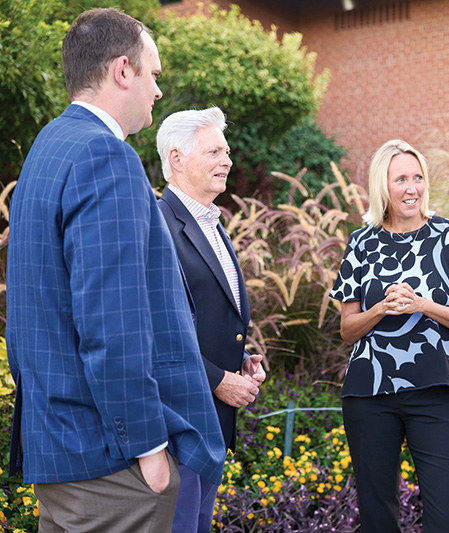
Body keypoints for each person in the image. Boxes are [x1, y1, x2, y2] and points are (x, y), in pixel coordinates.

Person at [5, 8, 226, 532]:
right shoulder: (108, 157)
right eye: (153, 74)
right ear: (122, 71)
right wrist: (148, 449)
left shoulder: (48, 147)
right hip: (112, 464)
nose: (157, 90)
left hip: (60, 448)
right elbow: (112, 319)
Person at [329, 139, 449, 533]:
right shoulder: (361, 243)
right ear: (382, 185)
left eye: (418, 177)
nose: (412, 188)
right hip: (370, 395)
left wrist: (422, 305)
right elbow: (347, 330)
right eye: (400, 178)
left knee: (446, 517)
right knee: (377, 515)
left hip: (436, 391)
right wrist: (381, 309)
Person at [156, 106, 267, 533]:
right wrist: (218, 378)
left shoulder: (213, 225)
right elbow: (155, 329)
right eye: (214, 151)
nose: (228, 161)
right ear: (177, 158)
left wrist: (238, 362)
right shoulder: (159, 225)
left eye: (227, 150)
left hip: (211, 425)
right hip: (177, 425)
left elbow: (204, 314)